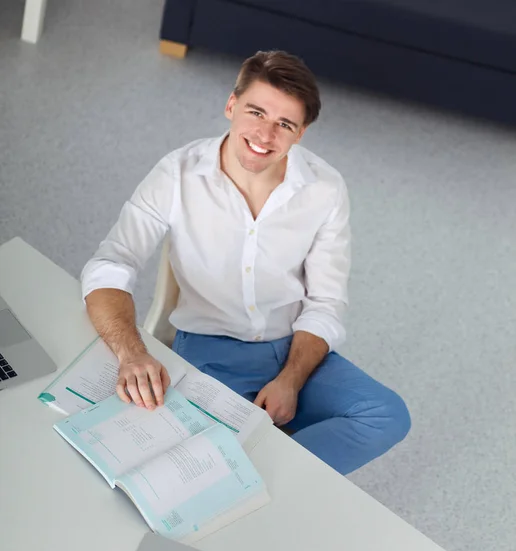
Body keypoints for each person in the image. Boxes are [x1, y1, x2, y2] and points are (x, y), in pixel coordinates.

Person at [82, 50, 410, 476]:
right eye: (256, 112)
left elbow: (326, 302)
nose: (265, 133)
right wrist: (131, 354)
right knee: (178, 459)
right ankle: (256, 472)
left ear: (301, 134)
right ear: (231, 105)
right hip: (208, 348)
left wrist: (290, 379)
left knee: (387, 415)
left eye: (284, 124)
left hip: (293, 350)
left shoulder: (325, 188)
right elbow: (111, 262)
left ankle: (250, 477)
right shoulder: (176, 174)